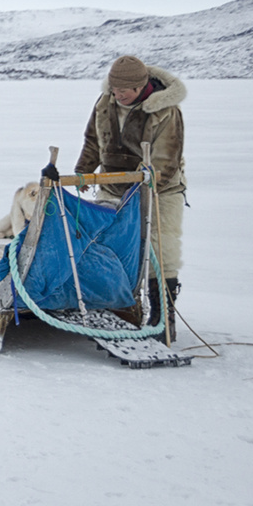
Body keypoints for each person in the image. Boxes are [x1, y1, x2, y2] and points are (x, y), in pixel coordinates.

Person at [73, 54, 187, 339]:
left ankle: (163, 318)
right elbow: (93, 139)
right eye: (114, 89)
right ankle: (118, 307)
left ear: (140, 87)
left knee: (160, 249)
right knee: (111, 244)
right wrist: (84, 170)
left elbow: (165, 159)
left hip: (160, 188)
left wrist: (145, 183)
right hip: (113, 184)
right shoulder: (105, 102)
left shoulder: (165, 110)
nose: (117, 94)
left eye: (123, 90)